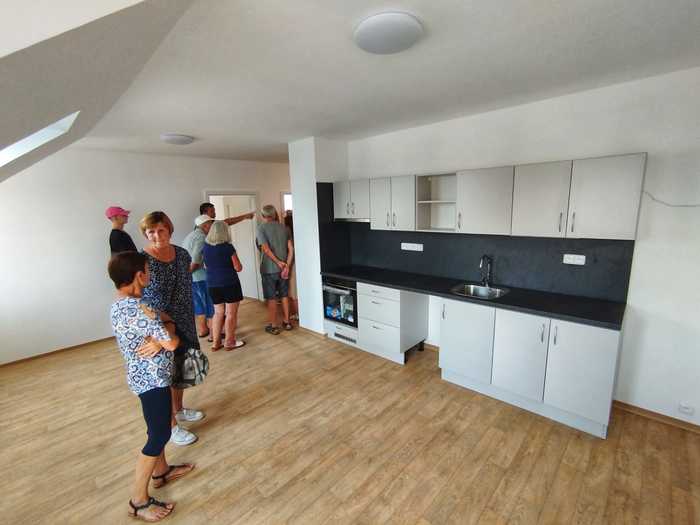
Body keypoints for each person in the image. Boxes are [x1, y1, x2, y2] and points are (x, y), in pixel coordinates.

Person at [108, 251, 194, 522]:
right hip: (152, 381)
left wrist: (162, 327)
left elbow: (163, 323)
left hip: (145, 377)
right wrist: (165, 331)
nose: (150, 274)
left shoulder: (123, 303)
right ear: (139, 275)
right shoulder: (139, 309)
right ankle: (138, 501)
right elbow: (172, 342)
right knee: (158, 435)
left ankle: (161, 472)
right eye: (148, 270)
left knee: (157, 426)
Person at [140, 211, 203, 447]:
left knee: (182, 369)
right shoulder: (141, 261)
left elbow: (187, 287)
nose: (157, 236)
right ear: (146, 234)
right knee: (163, 376)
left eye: (161, 230)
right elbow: (138, 298)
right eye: (151, 232)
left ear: (169, 230)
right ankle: (171, 426)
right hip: (159, 326)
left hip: (184, 319)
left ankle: (179, 410)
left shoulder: (182, 254)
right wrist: (153, 332)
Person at [203, 221, 246, 351]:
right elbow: (238, 267)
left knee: (218, 313)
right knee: (230, 313)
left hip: (212, 284)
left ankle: (216, 343)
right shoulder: (228, 247)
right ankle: (229, 342)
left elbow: (205, 266)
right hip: (229, 283)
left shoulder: (205, 247)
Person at [256, 204, 294, 334]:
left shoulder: (261, 228)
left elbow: (266, 249)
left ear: (263, 215)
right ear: (274, 214)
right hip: (284, 270)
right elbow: (291, 249)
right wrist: (287, 265)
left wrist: (278, 262)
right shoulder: (285, 228)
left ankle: (273, 326)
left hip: (269, 269)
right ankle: (287, 322)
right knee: (284, 295)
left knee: (271, 298)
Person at [182, 215, 215, 341]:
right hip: (201, 277)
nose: (212, 226)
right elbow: (196, 261)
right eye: (211, 223)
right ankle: (213, 335)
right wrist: (187, 275)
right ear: (205, 225)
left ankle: (203, 330)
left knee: (199, 305)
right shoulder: (201, 238)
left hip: (193, 278)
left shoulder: (190, 236)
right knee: (210, 305)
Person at [283, 211, 299, 321]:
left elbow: (289, 250)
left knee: (294, 292)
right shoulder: (299, 230)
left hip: (292, 264)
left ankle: (298, 314)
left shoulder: (286, 232)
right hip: (302, 263)